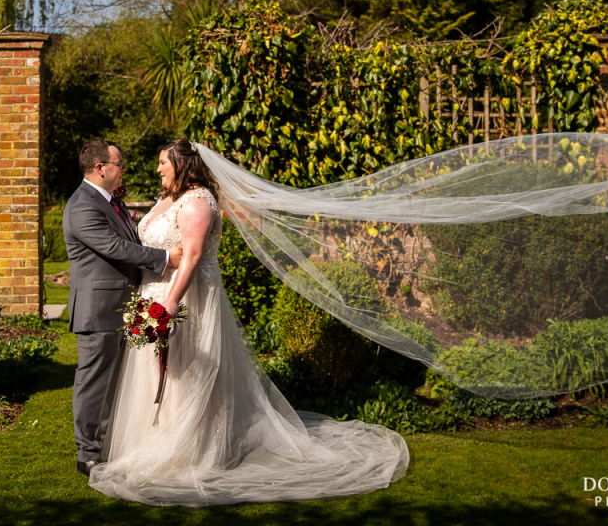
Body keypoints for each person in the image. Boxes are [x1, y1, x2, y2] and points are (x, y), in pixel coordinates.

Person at [88, 139, 409, 506]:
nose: (157, 169)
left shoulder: (197, 202)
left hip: (186, 299)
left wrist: (170, 304)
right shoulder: (167, 198)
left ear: (182, 163)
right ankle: (148, 441)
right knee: (155, 372)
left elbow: (191, 258)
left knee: (188, 371)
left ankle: (187, 451)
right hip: (154, 293)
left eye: (163, 162)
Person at [63, 139, 182, 477]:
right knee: (94, 382)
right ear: (100, 168)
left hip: (122, 304)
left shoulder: (110, 201)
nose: (123, 168)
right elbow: (115, 247)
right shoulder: (82, 206)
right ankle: (87, 454)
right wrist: (164, 258)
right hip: (97, 308)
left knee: (116, 382)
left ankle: (109, 444)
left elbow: (130, 240)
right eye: (119, 163)